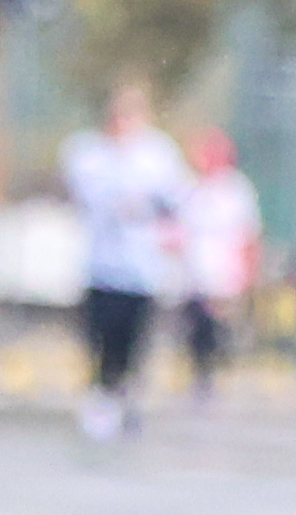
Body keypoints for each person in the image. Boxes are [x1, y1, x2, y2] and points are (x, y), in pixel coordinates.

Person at [60, 84, 191, 440]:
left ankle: (126, 398)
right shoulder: (89, 153)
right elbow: (83, 195)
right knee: (101, 337)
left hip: (141, 269)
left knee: (133, 341)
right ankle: (101, 397)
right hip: (102, 266)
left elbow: (177, 200)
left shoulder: (159, 155)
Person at [177, 126, 262, 399]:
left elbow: (248, 233)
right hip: (193, 271)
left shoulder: (237, 189)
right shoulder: (188, 186)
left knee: (218, 326)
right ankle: (200, 374)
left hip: (224, 272)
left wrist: (248, 272)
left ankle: (215, 372)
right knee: (196, 325)